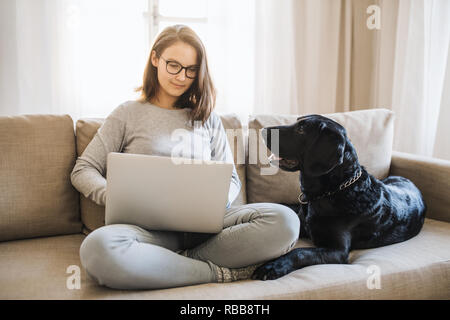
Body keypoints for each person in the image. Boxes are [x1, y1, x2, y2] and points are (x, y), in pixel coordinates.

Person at [71, 24, 299, 290]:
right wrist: (112, 194)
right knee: (98, 250)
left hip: (206, 231)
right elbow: (83, 169)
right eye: (174, 66)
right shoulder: (127, 113)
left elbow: (232, 179)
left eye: (191, 70)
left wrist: (215, 204)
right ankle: (214, 272)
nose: (182, 77)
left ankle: (172, 264)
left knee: (285, 221)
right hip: (145, 232)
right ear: (155, 59)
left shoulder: (207, 119)